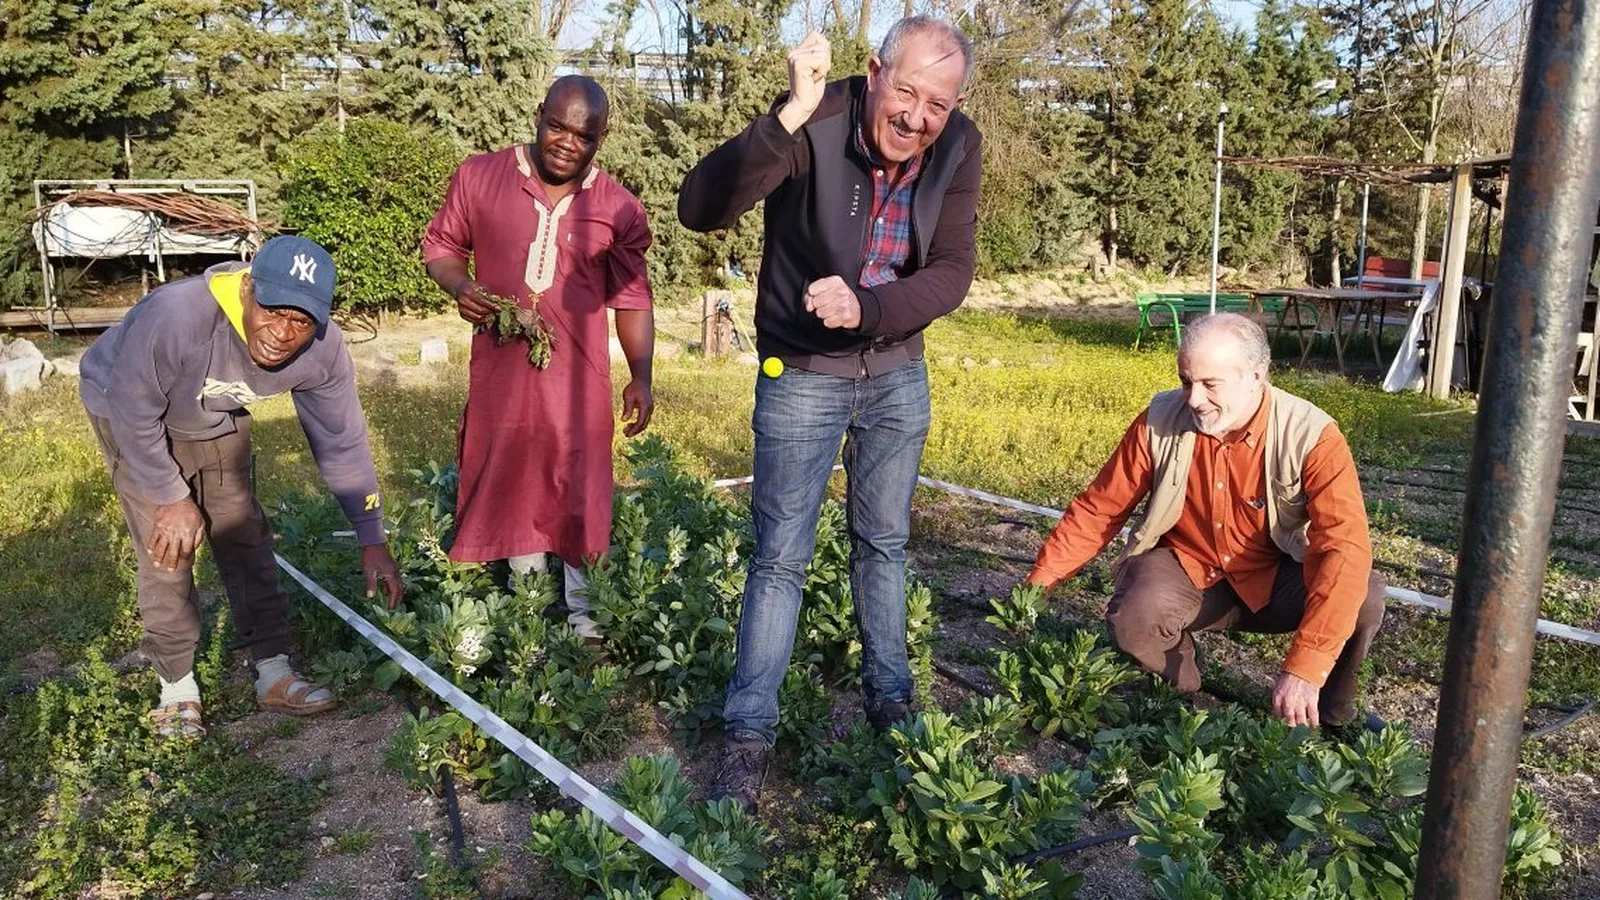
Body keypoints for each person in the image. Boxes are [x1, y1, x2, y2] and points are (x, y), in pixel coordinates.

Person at [678, 15, 982, 810]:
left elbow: (952, 270)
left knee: (884, 543)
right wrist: (786, 113)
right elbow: (700, 208)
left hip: (897, 374)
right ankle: (749, 734)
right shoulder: (815, 117)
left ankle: (893, 702)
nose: (918, 117)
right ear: (875, 73)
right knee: (780, 557)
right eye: (907, 92)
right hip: (803, 375)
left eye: (939, 104)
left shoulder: (959, 144)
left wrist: (869, 308)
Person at [78, 235, 405, 739]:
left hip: (214, 415)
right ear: (248, 289)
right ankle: (177, 687)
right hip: (125, 407)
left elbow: (342, 441)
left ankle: (272, 669)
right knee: (169, 547)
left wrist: (371, 535)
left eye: (302, 322)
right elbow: (133, 409)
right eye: (273, 311)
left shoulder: (323, 351)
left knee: (245, 533)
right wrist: (171, 498)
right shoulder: (178, 317)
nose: (282, 333)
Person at [1026, 313, 1386, 732]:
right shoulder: (1159, 421)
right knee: (1134, 617)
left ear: (1256, 376)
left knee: (1363, 594)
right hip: (1190, 570)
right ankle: (1180, 698)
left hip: (1275, 580)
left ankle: (1335, 714)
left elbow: (1344, 547)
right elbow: (1098, 510)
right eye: (1186, 381)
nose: (1194, 399)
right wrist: (1035, 590)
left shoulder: (1312, 435)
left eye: (1211, 384)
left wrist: (1306, 666)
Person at [421, 76, 656, 639]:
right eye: (557, 127)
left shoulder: (617, 208)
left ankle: (585, 620)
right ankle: (530, 608)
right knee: (514, 477)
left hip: (580, 381)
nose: (567, 143)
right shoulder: (480, 177)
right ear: (538, 114)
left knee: (580, 487)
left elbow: (632, 297)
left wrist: (641, 376)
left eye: (584, 135)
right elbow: (442, 246)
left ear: (601, 138)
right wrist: (460, 286)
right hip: (503, 372)